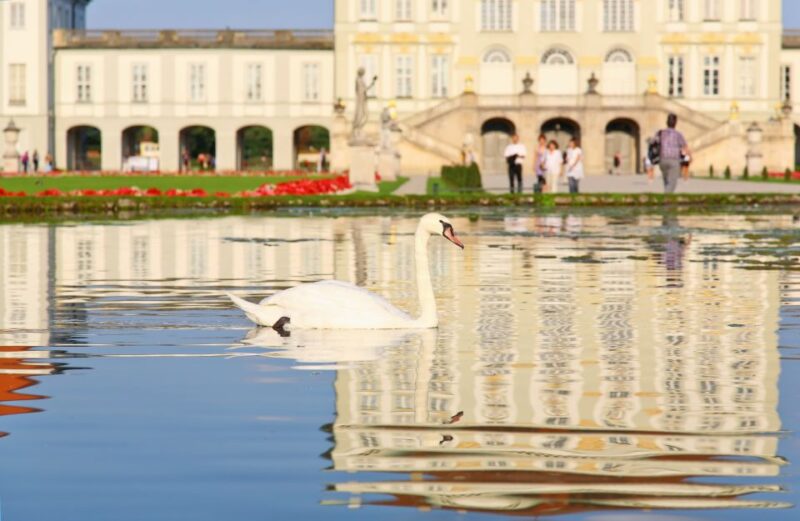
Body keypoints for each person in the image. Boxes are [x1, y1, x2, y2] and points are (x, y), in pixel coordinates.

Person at [654, 113, 689, 194]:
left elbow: (654, 142)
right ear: (675, 123)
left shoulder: (660, 133)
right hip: (674, 160)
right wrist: (688, 157)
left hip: (662, 159)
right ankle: (665, 200)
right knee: (672, 182)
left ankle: (666, 201)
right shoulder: (678, 134)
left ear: (667, 122)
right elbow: (684, 146)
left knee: (666, 181)